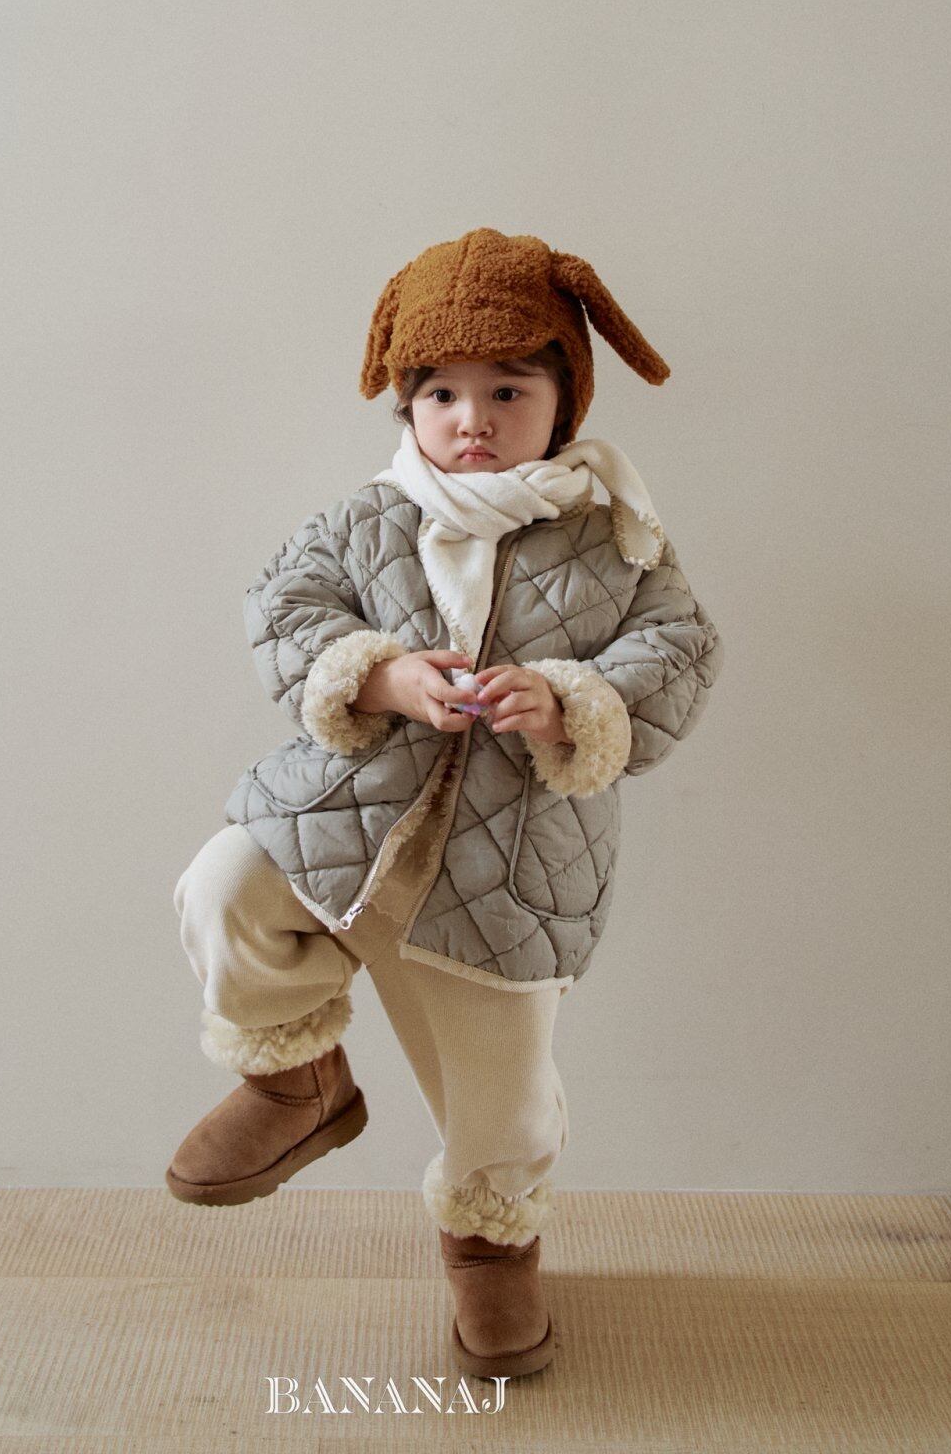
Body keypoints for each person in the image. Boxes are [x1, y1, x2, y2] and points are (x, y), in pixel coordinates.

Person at [166, 226, 724, 1379]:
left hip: (506, 867)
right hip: (346, 817)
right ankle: (294, 1082)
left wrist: (568, 700)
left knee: (498, 1098)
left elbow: (677, 648)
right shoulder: (366, 520)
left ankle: (488, 1248)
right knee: (223, 886)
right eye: (441, 394)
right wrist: (376, 675)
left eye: (507, 390)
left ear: (562, 397)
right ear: (406, 404)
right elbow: (282, 606)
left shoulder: (613, 537)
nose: (472, 419)